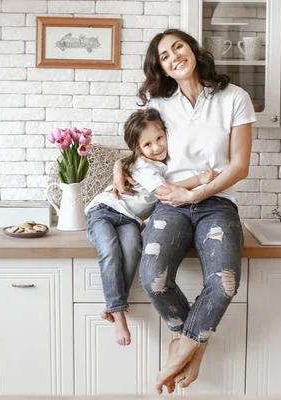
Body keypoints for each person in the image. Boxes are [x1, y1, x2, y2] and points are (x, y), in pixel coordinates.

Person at [112, 29, 256, 393]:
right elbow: (139, 149)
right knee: (152, 277)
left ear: (192, 49)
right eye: (164, 55)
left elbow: (239, 167)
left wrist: (197, 194)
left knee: (224, 283)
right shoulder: (160, 106)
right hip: (170, 205)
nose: (174, 56)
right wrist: (119, 166)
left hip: (217, 203)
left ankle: (183, 351)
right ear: (160, 66)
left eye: (178, 47)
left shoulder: (234, 97)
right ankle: (191, 339)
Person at [85, 108, 219, 346]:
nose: (157, 147)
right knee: (109, 249)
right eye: (147, 145)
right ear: (138, 149)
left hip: (130, 220)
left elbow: (166, 181)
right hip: (104, 210)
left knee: (132, 250)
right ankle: (118, 314)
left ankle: (113, 306)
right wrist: (199, 180)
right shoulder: (141, 165)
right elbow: (164, 191)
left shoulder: (164, 163)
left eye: (159, 138)